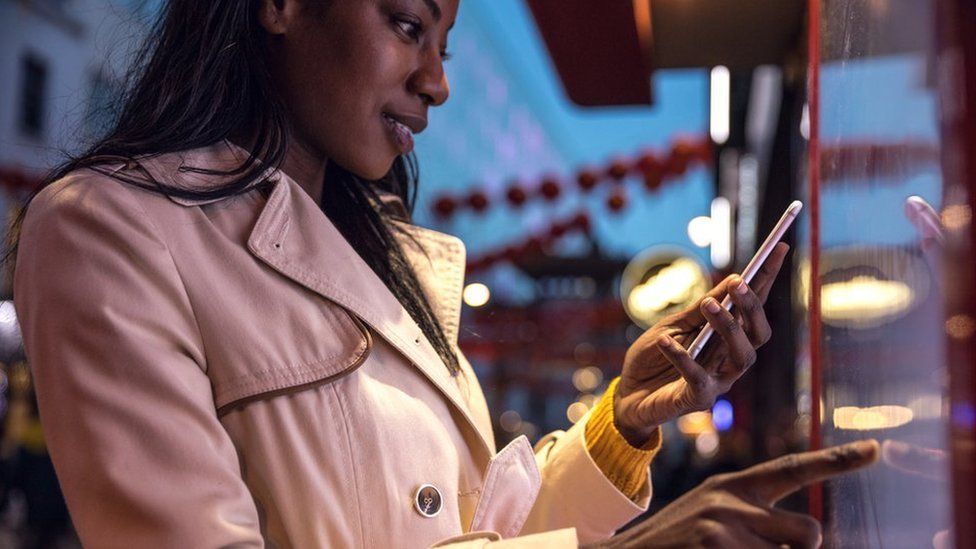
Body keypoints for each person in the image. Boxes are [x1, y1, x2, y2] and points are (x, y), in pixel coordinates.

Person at [9, 1, 876, 547]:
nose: (437, 82)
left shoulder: (389, 261)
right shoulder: (110, 230)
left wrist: (620, 425)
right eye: (407, 26)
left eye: (447, 43)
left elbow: (466, 528)